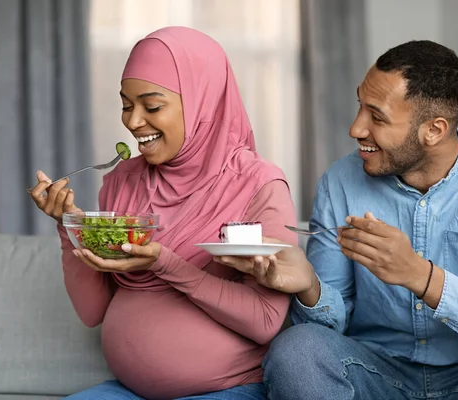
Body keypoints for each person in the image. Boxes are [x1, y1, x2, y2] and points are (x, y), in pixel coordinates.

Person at [217, 40, 458, 399]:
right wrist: (309, 287)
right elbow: (328, 327)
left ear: (434, 130)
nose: (356, 129)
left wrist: (420, 276)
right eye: (360, 107)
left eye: (376, 117)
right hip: (377, 371)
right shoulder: (341, 181)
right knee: (297, 350)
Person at [28, 26, 297, 400]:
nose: (133, 122)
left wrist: (165, 264)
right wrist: (69, 225)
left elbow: (266, 321)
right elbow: (93, 311)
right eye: (126, 104)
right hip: (127, 390)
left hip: (225, 390)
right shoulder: (122, 179)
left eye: (151, 106)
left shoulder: (258, 184)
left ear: (203, 100)